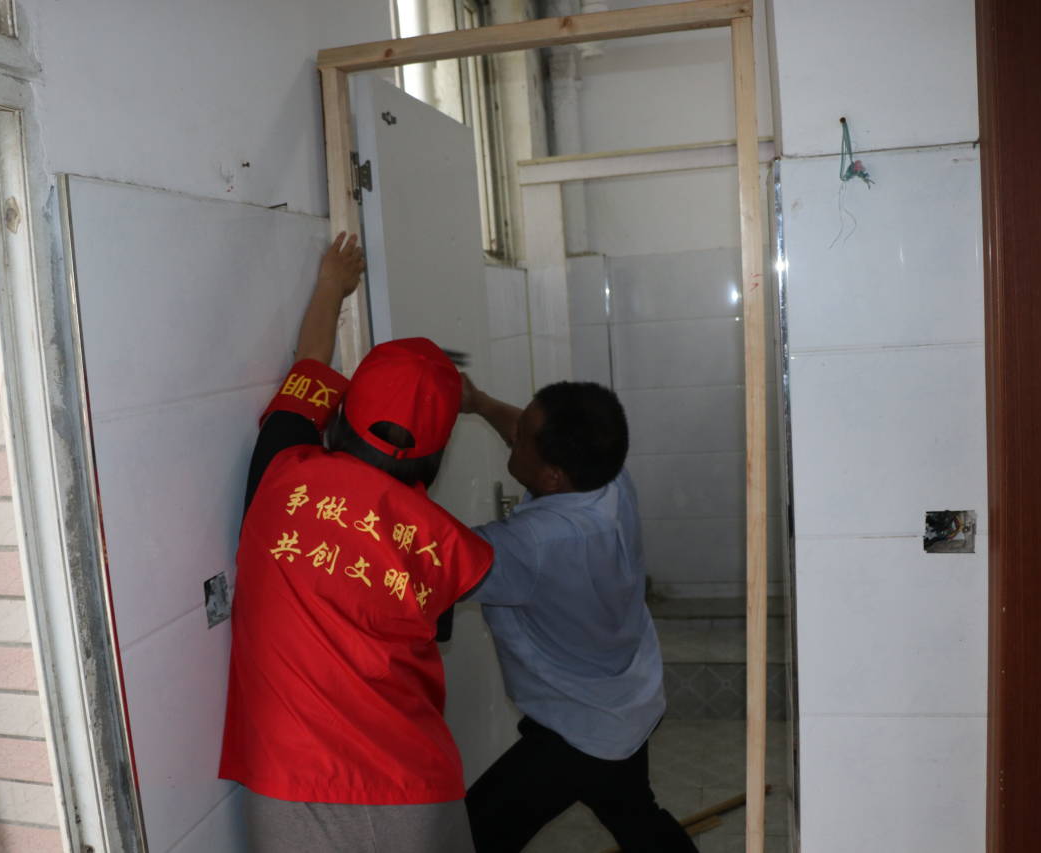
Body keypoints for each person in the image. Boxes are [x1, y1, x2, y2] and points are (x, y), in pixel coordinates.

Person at [219, 233, 493, 853]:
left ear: (340, 414)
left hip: (295, 787)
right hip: (416, 792)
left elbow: (310, 364)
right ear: (438, 451)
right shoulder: (442, 547)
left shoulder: (280, 470)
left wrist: (331, 285)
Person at [460, 377, 699, 853]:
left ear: (553, 476)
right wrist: (480, 403)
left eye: (521, 438)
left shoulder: (530, 544)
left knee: (471, 836)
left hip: (578, 726)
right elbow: (534, 435)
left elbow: (430, 551)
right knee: (633, 813)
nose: (513, 434)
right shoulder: (609, 479)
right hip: (626, 694)